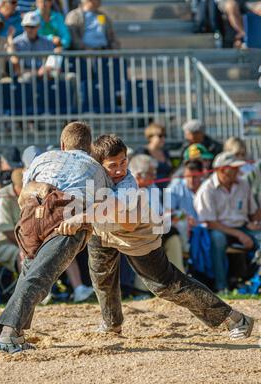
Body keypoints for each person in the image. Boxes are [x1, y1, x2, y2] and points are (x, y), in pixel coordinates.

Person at [60, 134, 254, 341]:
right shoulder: (92, 175)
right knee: (101, 278)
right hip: (102, 230)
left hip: (136, 234)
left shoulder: (127, 183)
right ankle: (111, 323)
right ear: (99, 165)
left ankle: (235, 319)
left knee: (166, 285)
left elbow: (114, 206)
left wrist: (81, 217)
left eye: (123, 162)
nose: (119, 169)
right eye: (112, 165)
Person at [0, 121, 112, 354]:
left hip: (29, 216)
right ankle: (7, 334)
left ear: (62, 144)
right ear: (89, 147)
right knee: (39, 277)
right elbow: (103, 207)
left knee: (29, 274)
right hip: (66, 219)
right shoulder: (95, 167)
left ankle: (16, 334)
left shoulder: (43, 158)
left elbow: (22, 195)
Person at [194, 151, 260, 291]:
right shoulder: (207, 189)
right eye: (234, 168)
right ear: (222, 170)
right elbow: (211, 223)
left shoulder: (243, 184)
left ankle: (253, 282)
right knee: (218, 240)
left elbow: (253, 211)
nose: (238, 170)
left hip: (242, 226)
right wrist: (239, 234)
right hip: (218, 229)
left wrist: (255, 222)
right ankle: (221, 286)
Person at [0, 168, 24, 273]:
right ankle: (28, 289)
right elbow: (7, 231)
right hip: (0, 245)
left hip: (20, 242)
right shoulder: (2, 197)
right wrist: (29, 246)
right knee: (24, 255)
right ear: (19, 187)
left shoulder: (26, 196)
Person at [10, 11, 55, 79]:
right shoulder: (16, 43)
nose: (30, 29)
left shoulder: (47, 42)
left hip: (45, 74)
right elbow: (17, 69)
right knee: (28, 77)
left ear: (38, 26)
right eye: (28, 26)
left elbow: (52, 61)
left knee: (69, 77)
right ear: (24, 27)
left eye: (33, 26)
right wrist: (36, 73)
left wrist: (47, 68)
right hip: (25, 74)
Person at [135, 122, 172, 188]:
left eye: (164, 135)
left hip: (167, 188)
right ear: (150, 137)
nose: (163, 138)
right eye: (160, 136)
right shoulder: (142, 151)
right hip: (149, 189)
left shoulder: (165, 152)